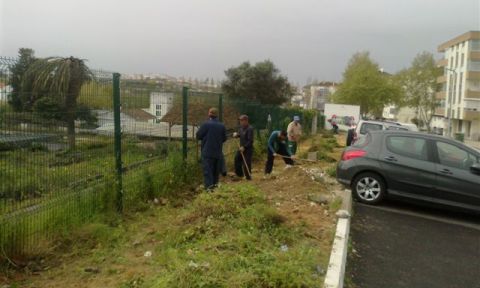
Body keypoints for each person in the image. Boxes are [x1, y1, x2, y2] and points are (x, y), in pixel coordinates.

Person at [196, 108, 227, 190]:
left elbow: (198, 136)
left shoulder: (206, 124)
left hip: (207, 152)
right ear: (217, 115)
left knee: (208, 172)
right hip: (218, 152)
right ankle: (214, 187)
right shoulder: (222, 125)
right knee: (215, 172)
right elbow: (224, 138)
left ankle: (209, 190)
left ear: (209, 114)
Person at [233, 115, 254, 180]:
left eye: (242, 120)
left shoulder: (250, 129)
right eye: (240, 121)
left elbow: (250, 140)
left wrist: (244, 147)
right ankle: (240, 175)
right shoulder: (241, 128)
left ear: (246, 121)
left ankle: (248, 177)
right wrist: (236, 135)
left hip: (248, 149)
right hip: (241, 148)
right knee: (237, 159)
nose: (241, 122)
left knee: (247, 163)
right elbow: (239, 135)